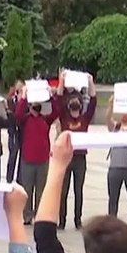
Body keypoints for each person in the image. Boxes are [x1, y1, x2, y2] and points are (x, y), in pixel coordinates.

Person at [54, 76, 98, 230]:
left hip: (80, 158)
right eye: (72, 106)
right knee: (63, 190)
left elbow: (93, 102)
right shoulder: (64, 118)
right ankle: (62, 220)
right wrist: (61, 83)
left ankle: (77, 220)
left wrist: (90, 82)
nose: (74, 109)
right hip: (66, 157)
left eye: (77, 106)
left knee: (78, 190)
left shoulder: (84, 119)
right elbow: (58, 100)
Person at [15, 85, 57, 225]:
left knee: (41, 190)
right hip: (28, 159)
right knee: (27, 190)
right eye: (33, 105)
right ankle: (27, 216)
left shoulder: (45, 119)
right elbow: (18, 114)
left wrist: (51, 96)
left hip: (43, 159)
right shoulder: (25, 120)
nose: (36, 107)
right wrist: (24, 96)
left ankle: (40, 215)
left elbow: (56, 111)